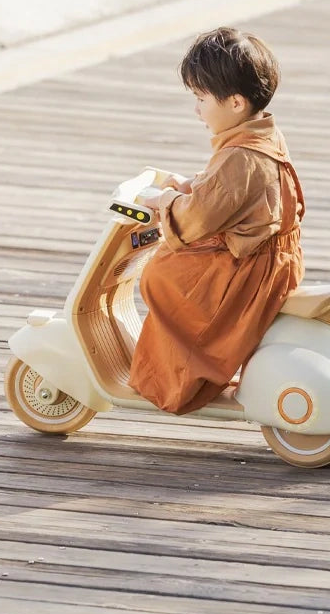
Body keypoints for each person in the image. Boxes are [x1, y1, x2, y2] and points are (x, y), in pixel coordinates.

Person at [128, 27, 304, 415]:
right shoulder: (262, 136)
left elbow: (196, 218)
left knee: (160, 277)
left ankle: (187, 373)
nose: (196, 109)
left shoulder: (239, 157)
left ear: (236, 102)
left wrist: (167, 199)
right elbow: (233, 196)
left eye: (201, 98)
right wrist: (192, 184)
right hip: (272, 258)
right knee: (166, 274)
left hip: (250, 270)